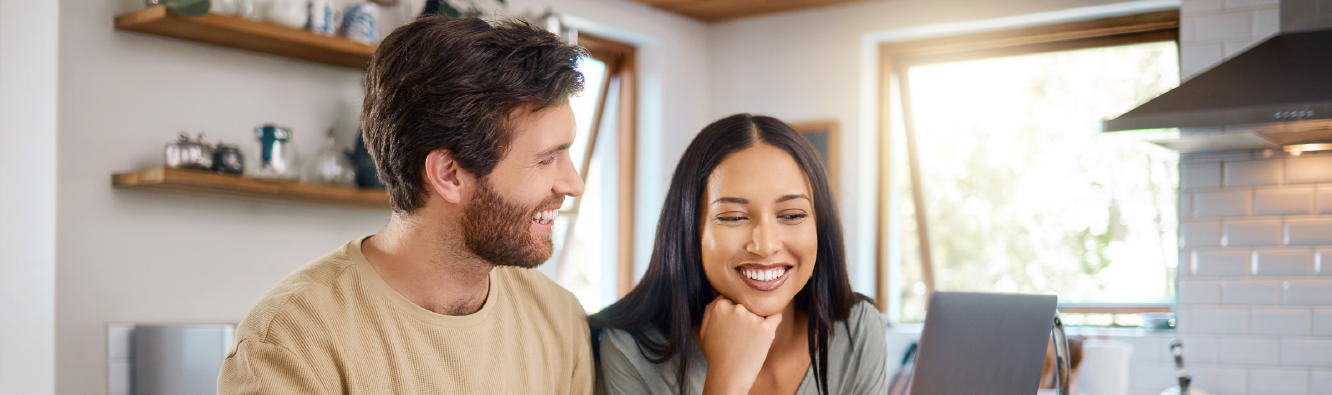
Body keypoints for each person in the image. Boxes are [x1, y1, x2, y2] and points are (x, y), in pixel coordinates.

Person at [218, 16, 593, 394]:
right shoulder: (292, 341)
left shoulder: (559, 319)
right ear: (449, 174)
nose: (573, 184)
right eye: (548, 158)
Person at [592, 114, 889, 395]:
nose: (766, 245)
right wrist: (725, 380)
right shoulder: (630, 352)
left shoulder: (858, 331)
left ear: (819, 228)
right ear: (691, 232)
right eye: (734, 217)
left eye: (791, 215)